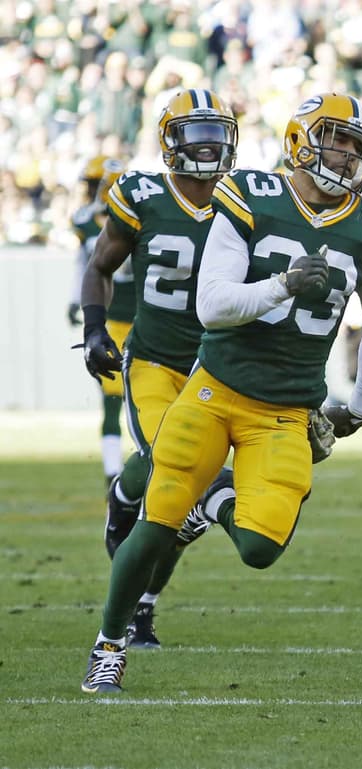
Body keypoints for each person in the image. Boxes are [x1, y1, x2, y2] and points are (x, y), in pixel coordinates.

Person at [81, 92, 362, 694]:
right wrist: (283, 283)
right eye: (341, 140)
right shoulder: (251, 195)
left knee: (260, 548)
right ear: (301, 140)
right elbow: (214, 304)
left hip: (286, 411)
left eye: (360, 146)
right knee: (159, 510)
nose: (352, 155)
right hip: (214, 388)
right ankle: (109, 646)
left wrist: (360, 404)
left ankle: (215, 504)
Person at [76, 90, 239, 649]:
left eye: (217, 133)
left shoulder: (247, 200)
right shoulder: (142, 194)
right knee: (179, 472)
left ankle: (144, 602)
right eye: (197, 133)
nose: (209, 145)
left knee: (181, 496)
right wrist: (95, 328)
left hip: (218, 369)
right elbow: (100, 266)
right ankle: (126, 491)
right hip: (154, 362)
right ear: (170, 139)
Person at [68, 155, 132, 488]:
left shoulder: (140, 221)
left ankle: (133, 470)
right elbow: (85, 266)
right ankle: (112, 472)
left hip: (145, 325)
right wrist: (74, 300)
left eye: (97, 185)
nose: (92, 192)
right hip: (111, 323)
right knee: (111, 402)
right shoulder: (86, 222)